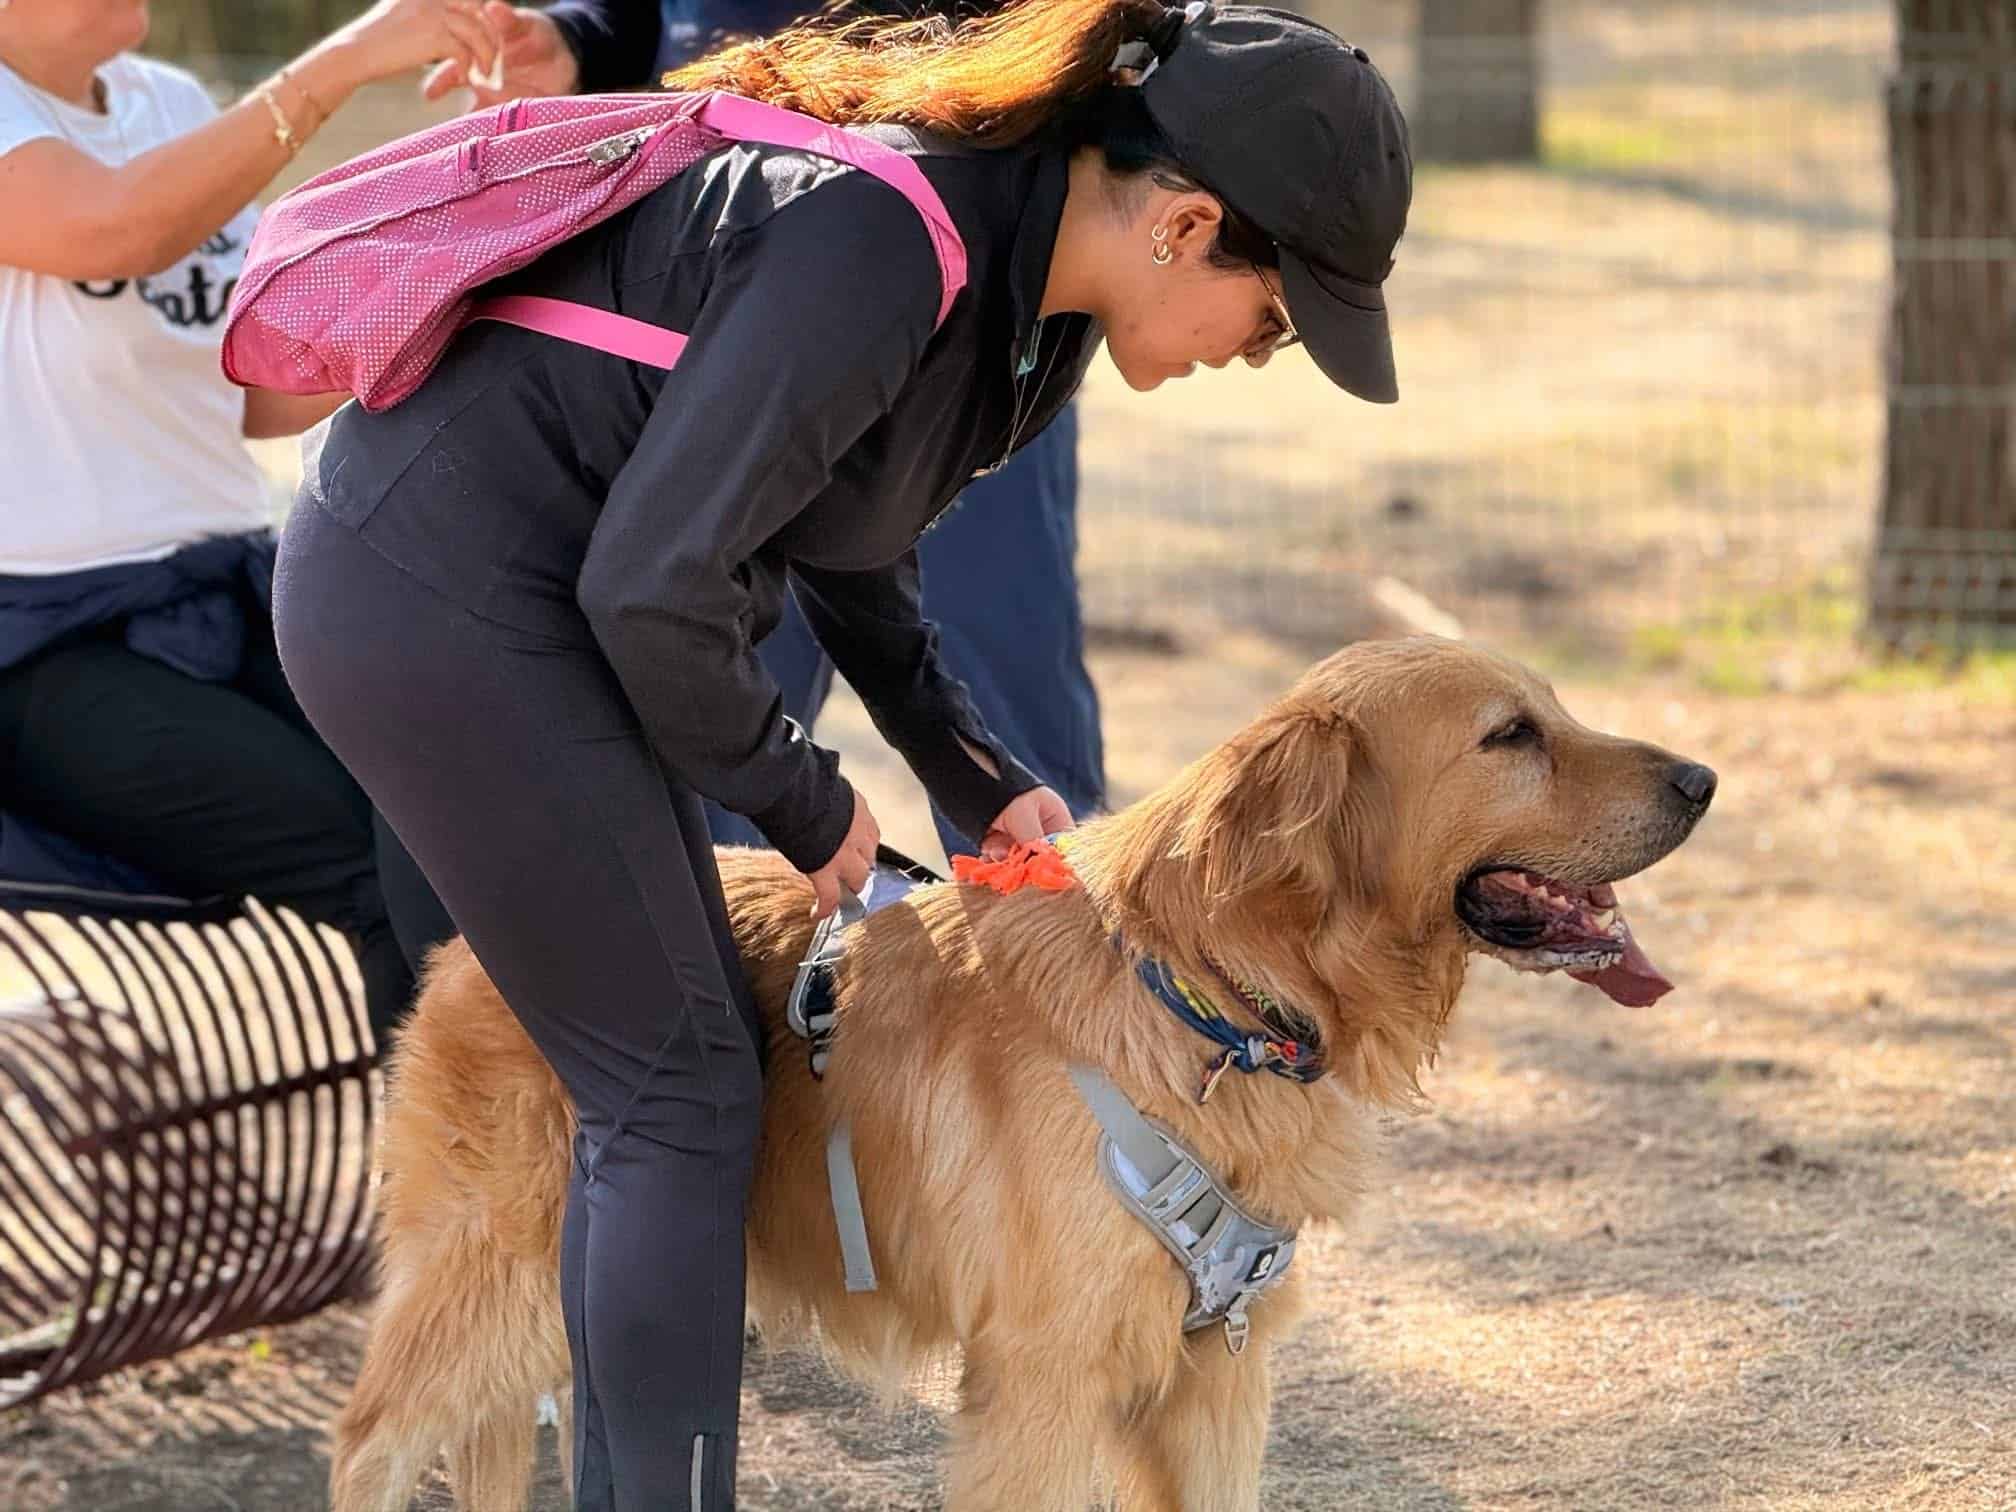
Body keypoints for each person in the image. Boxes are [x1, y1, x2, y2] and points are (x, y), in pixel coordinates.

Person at [272, 1, 1410, 1505]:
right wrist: (803, 801)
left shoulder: (1028, 310)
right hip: (438, 596)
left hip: (563, 606)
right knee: (676, 1091)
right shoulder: (883, 240)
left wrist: (968, 766)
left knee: (669, 1080)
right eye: (1276, 317)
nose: (1262, 355)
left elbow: (848, 539)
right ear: (1187, 225)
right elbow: (653, 586)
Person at [437, 0, 1106, 865]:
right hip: (756, 273)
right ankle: (732, 924)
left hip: (974, 267)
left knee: (1002, 712)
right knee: (706, 692)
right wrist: (589, 37)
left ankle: (1055, 926)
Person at [0, 0, 503, 1038]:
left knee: (467, 808)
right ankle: (465, 1144)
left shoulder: (168, 102)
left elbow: (250, 389)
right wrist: (345, 61)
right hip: (44, 644)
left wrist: (454, 253)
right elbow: (115, 227)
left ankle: (560, 1125)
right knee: (381, 871)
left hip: (231, 587)